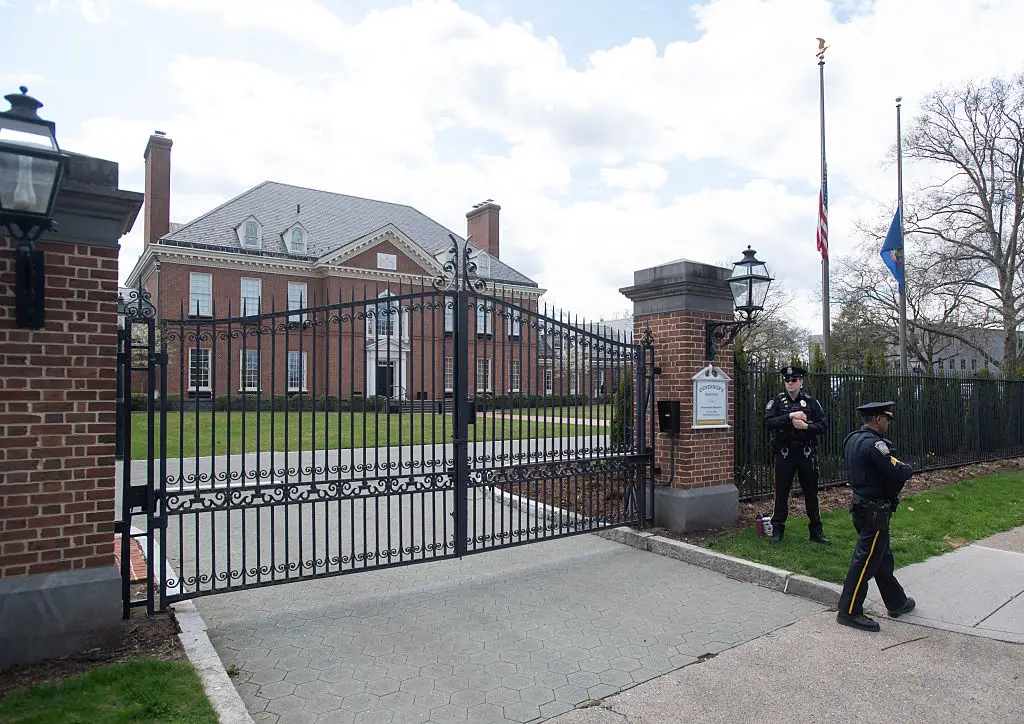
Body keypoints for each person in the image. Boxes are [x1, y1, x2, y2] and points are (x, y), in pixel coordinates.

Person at [836, 401, 916, 632]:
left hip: (861, 506)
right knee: (864, 562)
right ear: (878, 419)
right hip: (874, 512)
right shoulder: (875, 444)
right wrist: (907, 469)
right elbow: (895, 470)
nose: (888, 423)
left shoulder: (852, 439)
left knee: (882, 558)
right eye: (886, 419)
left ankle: (897, 602)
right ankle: (849, 610)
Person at [764, 365, 831, 544]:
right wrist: (789, 417)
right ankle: (777, 531)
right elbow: (769, 422)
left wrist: (807, 426)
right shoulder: (777, 402)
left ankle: (816, 531)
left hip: (805, 453)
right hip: (785, 453)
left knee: (811, 493)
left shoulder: (811, 402)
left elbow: (823, 425)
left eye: (794, 380)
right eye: (787, 380)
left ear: (801, 382)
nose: (790, 383)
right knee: (781, 493)